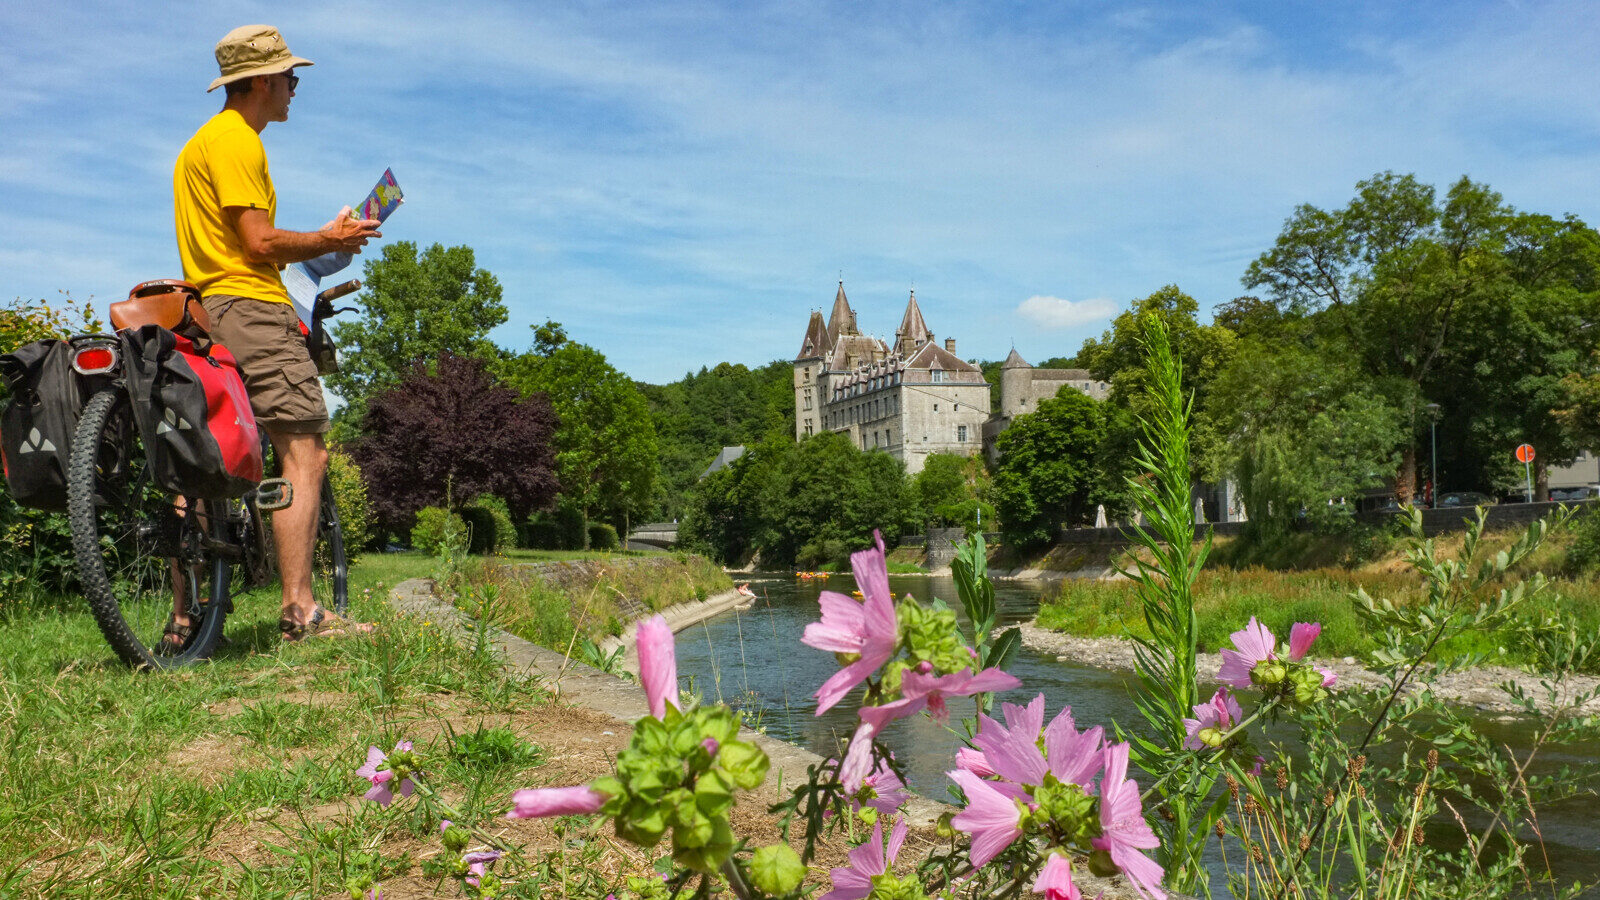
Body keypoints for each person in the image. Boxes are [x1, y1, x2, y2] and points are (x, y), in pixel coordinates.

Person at [172, 24, 381, 643]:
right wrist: (331, 239)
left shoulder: (197, 146)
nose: (295, 87)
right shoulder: (239, 141)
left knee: (202, 463)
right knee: (304, 449)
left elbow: (240, 242)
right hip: (254, 310)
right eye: (290, 77)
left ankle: (184, 619)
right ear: (261, 80)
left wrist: (318, 243)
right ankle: (301, 611)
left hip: (206, 307)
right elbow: (258, 244)